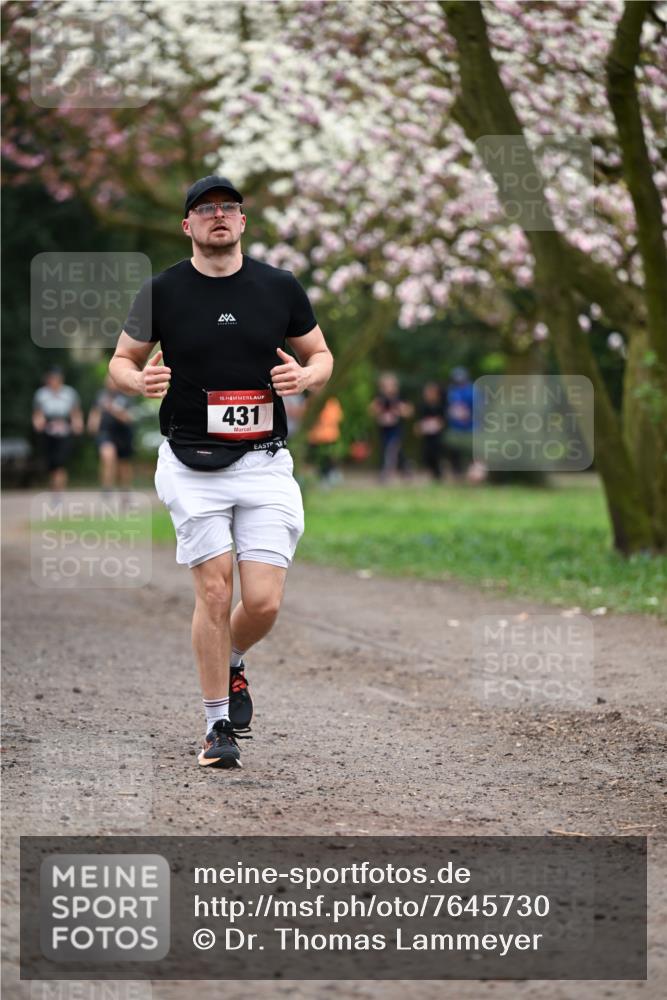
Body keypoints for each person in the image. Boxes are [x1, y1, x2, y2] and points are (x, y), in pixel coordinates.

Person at [109, 174, 333, 769]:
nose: (218, 217)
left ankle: (233, 661)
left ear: (242, 221)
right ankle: (216, 729)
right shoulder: (162, 291)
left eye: (228, 209)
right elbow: (122, 362)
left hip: (264, 460)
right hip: (190, 460)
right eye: (205, 210)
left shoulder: (279, 286)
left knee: (261, 603)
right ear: (188, 226)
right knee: (214, 588)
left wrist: (307, 377)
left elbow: (321, 354)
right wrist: (139, 381)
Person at [31, 366, 84, 498]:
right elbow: (38, 413)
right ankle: (54, 486)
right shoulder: (41, 394)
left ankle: (58, 491)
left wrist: (77, 423)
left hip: (64, 429)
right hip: (48, 430)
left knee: (60, 461)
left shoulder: (69, 393)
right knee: (51, 463)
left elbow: (75, 411)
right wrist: (38, 422)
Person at [87, 374, 136, 492]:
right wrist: (92, 425)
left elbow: (130, 418)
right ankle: (107, 488)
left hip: (123, 433)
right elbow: (95, 411)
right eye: (108, 380)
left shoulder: (127, 395)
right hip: (105, 432)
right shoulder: (101, 395)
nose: (110, 383)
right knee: (107, 457)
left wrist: (113, 410)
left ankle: (125, 489)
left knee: (123, 465)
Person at [368, 372, 413, 481]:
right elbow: (371, 411)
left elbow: (409, 411)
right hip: (384, 429)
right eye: (385, 385)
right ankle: (405, 468)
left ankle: (386, 473)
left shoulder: (399, 398)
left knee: (391, 449)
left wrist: (399, 410)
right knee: (392, 450)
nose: (387, 388)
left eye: (390, 385)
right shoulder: (379, 398)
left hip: (396, 429)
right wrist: (378, 412)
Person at [445, 367, 474, 480]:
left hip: (471, 429)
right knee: (452, 449)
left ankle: (471, 474)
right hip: (456, 428)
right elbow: (449, 408)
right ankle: (457, 474)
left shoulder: (472, 391)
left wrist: (468, 415)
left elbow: (480, 410)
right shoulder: (453, 391)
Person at [307, 396, 344, 484]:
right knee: (318, 459)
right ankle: (323, 476)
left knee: (328, 458)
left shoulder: (331, 402)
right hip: (315, 437)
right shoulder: (312, 400)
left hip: (329, 436)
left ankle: (329, 476)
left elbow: (337, 417)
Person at [415, 381, 445, 481]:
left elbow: (443, 422)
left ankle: (439, 474)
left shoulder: (441, 407)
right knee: (427, 455)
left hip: (438, 437)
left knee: (436, 455)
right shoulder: (423, 407)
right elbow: (419, 422)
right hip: (427, 436)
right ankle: (433, 474)